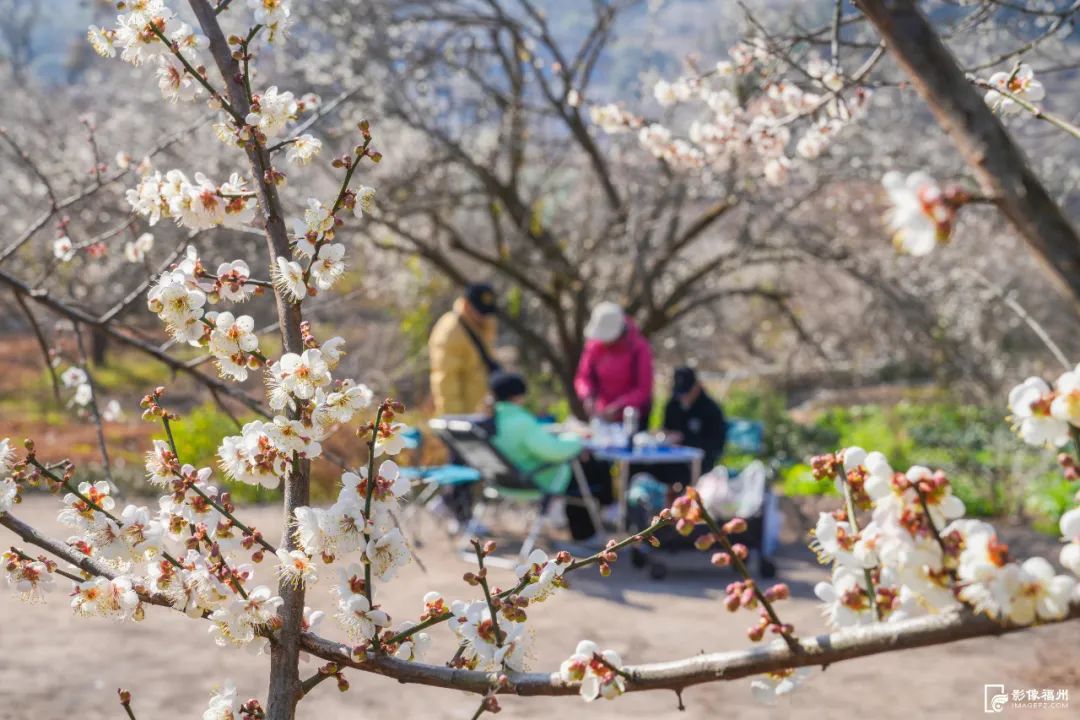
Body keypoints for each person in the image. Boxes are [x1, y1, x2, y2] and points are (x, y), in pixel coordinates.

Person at [488, 371, 584, 496]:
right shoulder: (520, 421)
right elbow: (553, 451)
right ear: (518, 396)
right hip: (533, 482)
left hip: (503, 484)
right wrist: (577, 438)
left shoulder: (493, 419)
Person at [573, 302, 654, 424]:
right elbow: (584, 376)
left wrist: (620, 406)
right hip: (602, 414)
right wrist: (587, 396)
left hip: (632, 417)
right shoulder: (594, 346)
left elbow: (643, 389)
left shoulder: (639, 348)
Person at [428, 282, 500, 416]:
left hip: (484, 410)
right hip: (465, 416)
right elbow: (446, 380)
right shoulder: (450, 331)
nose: (484, 317)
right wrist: (454, 419)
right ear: (466, 305)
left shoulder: (484, 325)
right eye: (479, 311)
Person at [662, 367, 727, 473]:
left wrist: (685, 440)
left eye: (686, 393)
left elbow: (716, 444)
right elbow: (666, 429)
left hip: (700, 463)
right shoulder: (672, 406)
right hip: (671, 460)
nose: (683, 397)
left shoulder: (710, 409)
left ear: (696, 387)